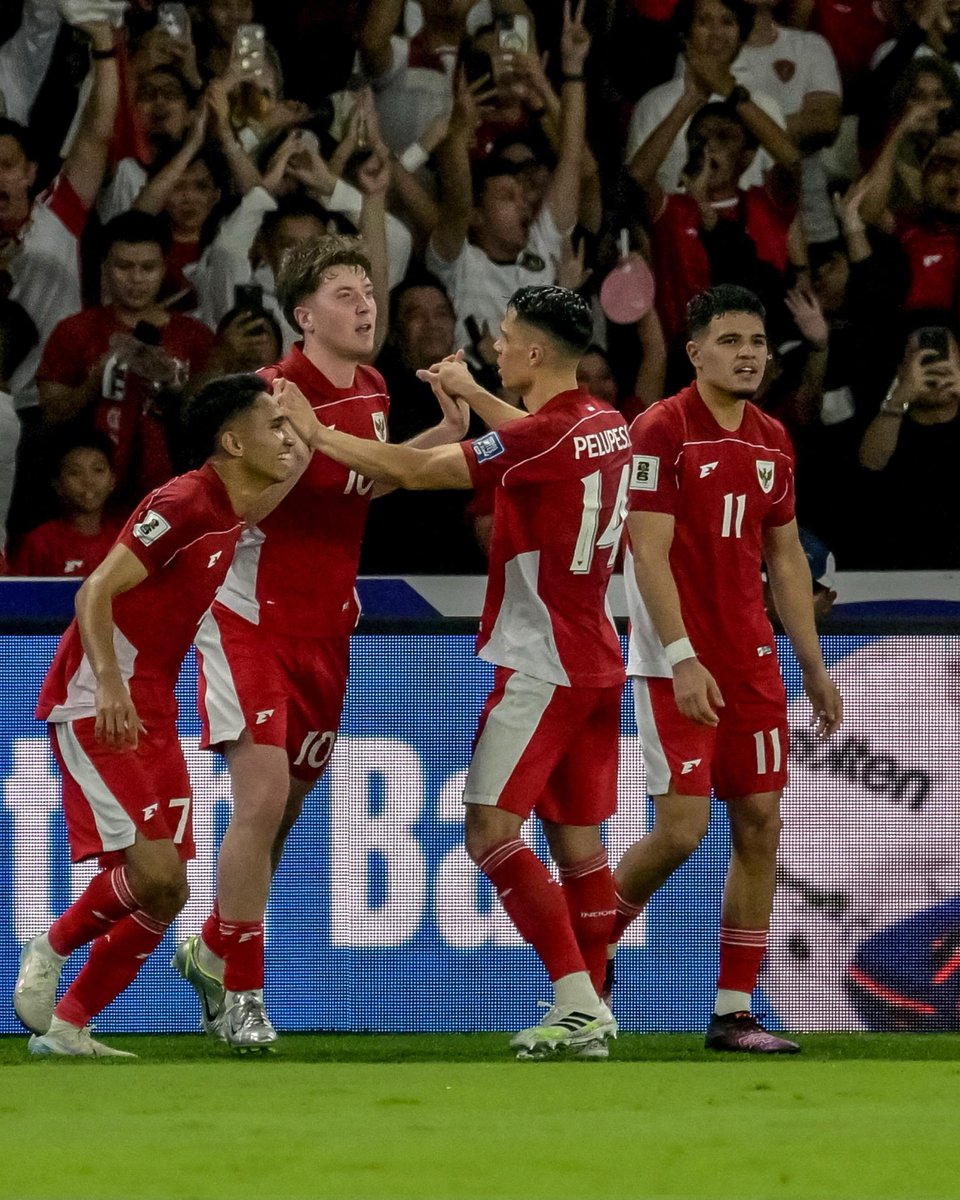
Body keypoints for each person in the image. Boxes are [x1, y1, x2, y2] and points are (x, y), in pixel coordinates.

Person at [277, 284, 631, 1060]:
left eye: (505, 337)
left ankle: (575, 1002)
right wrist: (472, 393)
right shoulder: (608, 424)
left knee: (489, 831)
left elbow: (410, 470)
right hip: (600, 656)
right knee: (580, 849)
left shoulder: (540, 438)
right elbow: (541, 434)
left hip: (543, 664)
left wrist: (318, 434)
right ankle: (597, 1010)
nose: (495, 347)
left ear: (535, 354)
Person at [174, 233, 468, 1050]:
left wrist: (435, 434)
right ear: (304, 315)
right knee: (262, 799)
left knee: (288, 812)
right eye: (345, 293)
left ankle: (210, 947)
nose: (365, 304)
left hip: (328, 629)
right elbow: (241, 511)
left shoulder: (373, 386)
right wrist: (297, 444)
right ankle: (244, 997)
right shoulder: (270, 394)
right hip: (249, 620)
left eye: (367, 290)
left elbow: (363, 484)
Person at [12, 373, 297, 1057]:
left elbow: (303, 467)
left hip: (156, 710)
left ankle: (70, 1027)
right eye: (272, 426)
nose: (285, 438)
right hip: (98, 701)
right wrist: (110, 685)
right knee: (157, 877)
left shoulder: (235, 506)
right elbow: (95, 589)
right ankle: (50, 943)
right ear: (232, 441)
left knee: (169, 892)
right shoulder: (186, 501)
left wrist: (311, 421)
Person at [611, 284, 843, 1052]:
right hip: (675, 662)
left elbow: (783, 559)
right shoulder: (662, 428)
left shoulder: (774, 439)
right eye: (731, 340)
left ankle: (734, 1010)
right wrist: (679, 658)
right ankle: (585, 945)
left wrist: (811, 667)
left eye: (757, 341)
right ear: (696, 352)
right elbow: (646, 553)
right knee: (681, 831)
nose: (748, 353)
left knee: (761, 826)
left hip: (752, 665)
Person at [36, 211, 215, 506]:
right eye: (123, 266)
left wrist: (172, 388)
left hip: (173, 489)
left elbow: (212, 424)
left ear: (165, 267)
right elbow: (50, 416)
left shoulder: (195, 335)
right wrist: (100, 377)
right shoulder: (74, 331)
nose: (136, 279)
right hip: (92, 497)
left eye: (147, 267)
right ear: (104, 266)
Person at [10, 431, 122, 577]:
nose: (88, 481)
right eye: (75, 472)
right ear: (58, 485)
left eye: (98, 470)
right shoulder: (41, 542)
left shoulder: (125, 537)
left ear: (113, 480)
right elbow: (20, 593)